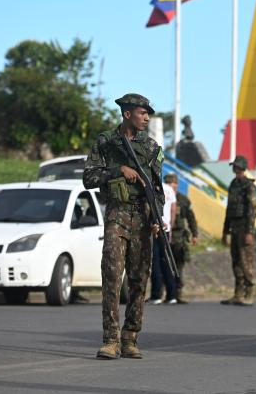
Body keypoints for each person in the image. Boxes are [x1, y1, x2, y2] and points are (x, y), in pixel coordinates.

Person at [83, 93, 165, 360]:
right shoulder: (106, 142)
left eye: (148, 114)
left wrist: (157, 218)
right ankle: (110, 340)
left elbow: (157, 190)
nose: (146, 118)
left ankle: (130, 338)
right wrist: (118, 170)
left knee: (139, 279)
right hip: (117, 215)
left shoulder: (151, 147)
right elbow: (89, 177)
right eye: (143, 113)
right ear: (127, 113)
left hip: (142, 217)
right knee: (111, 276)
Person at [221, 155, 256, 306]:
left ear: (241, 167)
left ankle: (249, 293)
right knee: (236, 260)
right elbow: (229, 209)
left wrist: (249, 232)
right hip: (234, 226)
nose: (234, 168)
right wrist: (225, 231)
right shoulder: (233, 184)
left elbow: (252, 210)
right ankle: (238, 293)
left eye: (236, 166)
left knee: (245, 261)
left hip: (244, 227)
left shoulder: (249, 186)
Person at [165, 173, 198, 304]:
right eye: (166, 184)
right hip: (166, 236)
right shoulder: (162, 198)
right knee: (165, 267)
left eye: (171, 184)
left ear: (176, 185)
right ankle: (164, 294)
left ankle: (177, 294)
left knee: (178, 267)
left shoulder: (183, 200)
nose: (169, 187)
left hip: (179, 238)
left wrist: (195, 234)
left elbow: (191, 218)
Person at [149, 178, 178, 305]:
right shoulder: (170, 190)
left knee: (155, 262)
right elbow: (173, 209)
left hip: (155, 227)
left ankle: (156, 295)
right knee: (167, 261)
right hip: (166, 229)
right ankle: (172, 295)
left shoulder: (151, 186)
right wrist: (171, 225)